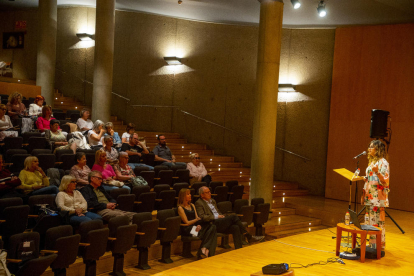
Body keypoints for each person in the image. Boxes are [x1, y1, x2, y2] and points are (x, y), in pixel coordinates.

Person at [195, 186, 264, 249]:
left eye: (210, 192)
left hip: (220, 222)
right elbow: (202, 217)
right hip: (211, 224)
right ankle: (248, 236)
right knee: (233, 216)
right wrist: (217, 216)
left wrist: (222, 216)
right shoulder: (199, 203)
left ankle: (239, 249)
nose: (209, 193)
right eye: (207, 192)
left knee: (235, 227)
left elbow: (217, 211)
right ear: (202, 194)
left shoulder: (213, 201)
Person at [361, 139, 390, 250]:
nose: (369, 149)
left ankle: (379, 245)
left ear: (378, 149)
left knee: (378, 222)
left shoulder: (383, 163)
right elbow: (372, 178)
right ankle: (372, 244)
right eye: (369, 146)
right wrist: (366, 179)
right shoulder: (372, 163)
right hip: (370, 196)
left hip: (378, 197)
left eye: (372, 147)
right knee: (370, 221)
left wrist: (377, 172)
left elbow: (385, 181)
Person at [177, 188, 217, 259]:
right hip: (187, 229)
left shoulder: (192, 205)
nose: (190, 195)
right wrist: (196, 221)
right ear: (183, 196)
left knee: (212, 227)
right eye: (188, 194)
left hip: (195, 227)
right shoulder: (180, 208)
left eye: (190, 194)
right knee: (210, 232)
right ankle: (203, 251)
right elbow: (187, 222)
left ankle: (203, 250)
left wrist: (198, 224)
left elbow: (197, 218)